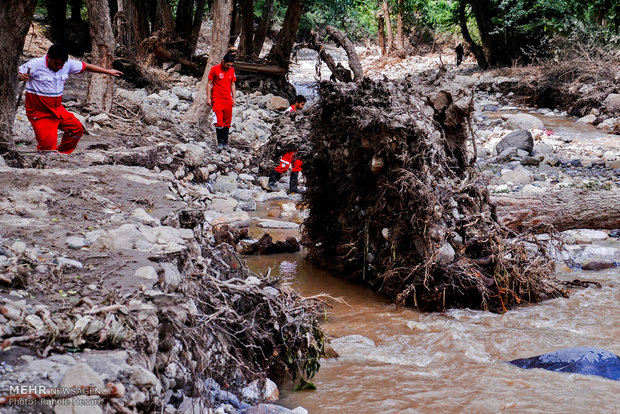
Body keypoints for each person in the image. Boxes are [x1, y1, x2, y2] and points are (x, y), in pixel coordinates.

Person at [18, 43, 123, 154]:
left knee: (76, 129)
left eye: (61, 65)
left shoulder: (67, 64)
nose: (59, 67)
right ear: (48, 58)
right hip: (40, 112)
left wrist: (107, 71)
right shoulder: (35, 64)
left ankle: (62, 155)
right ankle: (44, 164)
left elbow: (85, 66)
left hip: (58, 109)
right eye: (56, 64)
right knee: (47, 147)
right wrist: (20, 76)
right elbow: (17, 73)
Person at [266, 95, 307, 194]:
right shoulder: (288, 112)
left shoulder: (297, 113)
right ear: (296, 102)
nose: (303, 107)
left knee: (297, 165)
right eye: (301, 104)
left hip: (297, 144)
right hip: (289, 145)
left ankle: (293, 189)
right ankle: (270, 183)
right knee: (284, 165)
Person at [207, 53, 236, 150]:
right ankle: (219, 143)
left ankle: (225, 143)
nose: (229, 67)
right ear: (223, 62)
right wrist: (208, 98)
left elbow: (232, 84)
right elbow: (209, 83)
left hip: (228, 99)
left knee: (227, 122)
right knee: (218, 121)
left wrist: (234, 98)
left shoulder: (231, 70)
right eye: (228, 65)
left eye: (231, 65)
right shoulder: (214, 69)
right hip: (217, 99)